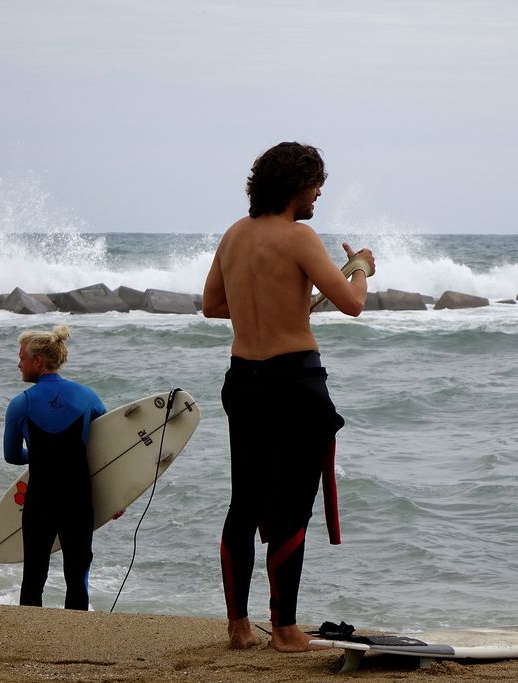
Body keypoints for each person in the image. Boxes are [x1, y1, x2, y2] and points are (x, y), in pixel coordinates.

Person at [202, 141, 376, 652]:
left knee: (245, 503)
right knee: (293, 507)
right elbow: (351, 304)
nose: (319, 192)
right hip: (295, 384)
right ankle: (284, 630)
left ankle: (238, 627)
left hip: (244, 381)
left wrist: (268, 303)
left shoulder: (233, 235)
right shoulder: (300, 237)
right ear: (296, 186)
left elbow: (213, 305)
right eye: (316, 183)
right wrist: (362, 265)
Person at [3, 324, 106, 610]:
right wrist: (117, 496)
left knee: (34, 576)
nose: (18, 363)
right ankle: (77, 637)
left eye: (22, 357)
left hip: (41, 501)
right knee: (77, 575)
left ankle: (29, 637)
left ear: (38, 362)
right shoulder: (89, 397)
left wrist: (37, 454)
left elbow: (12, 455)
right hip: (79, 500)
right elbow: (110, 450)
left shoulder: (20, 404)